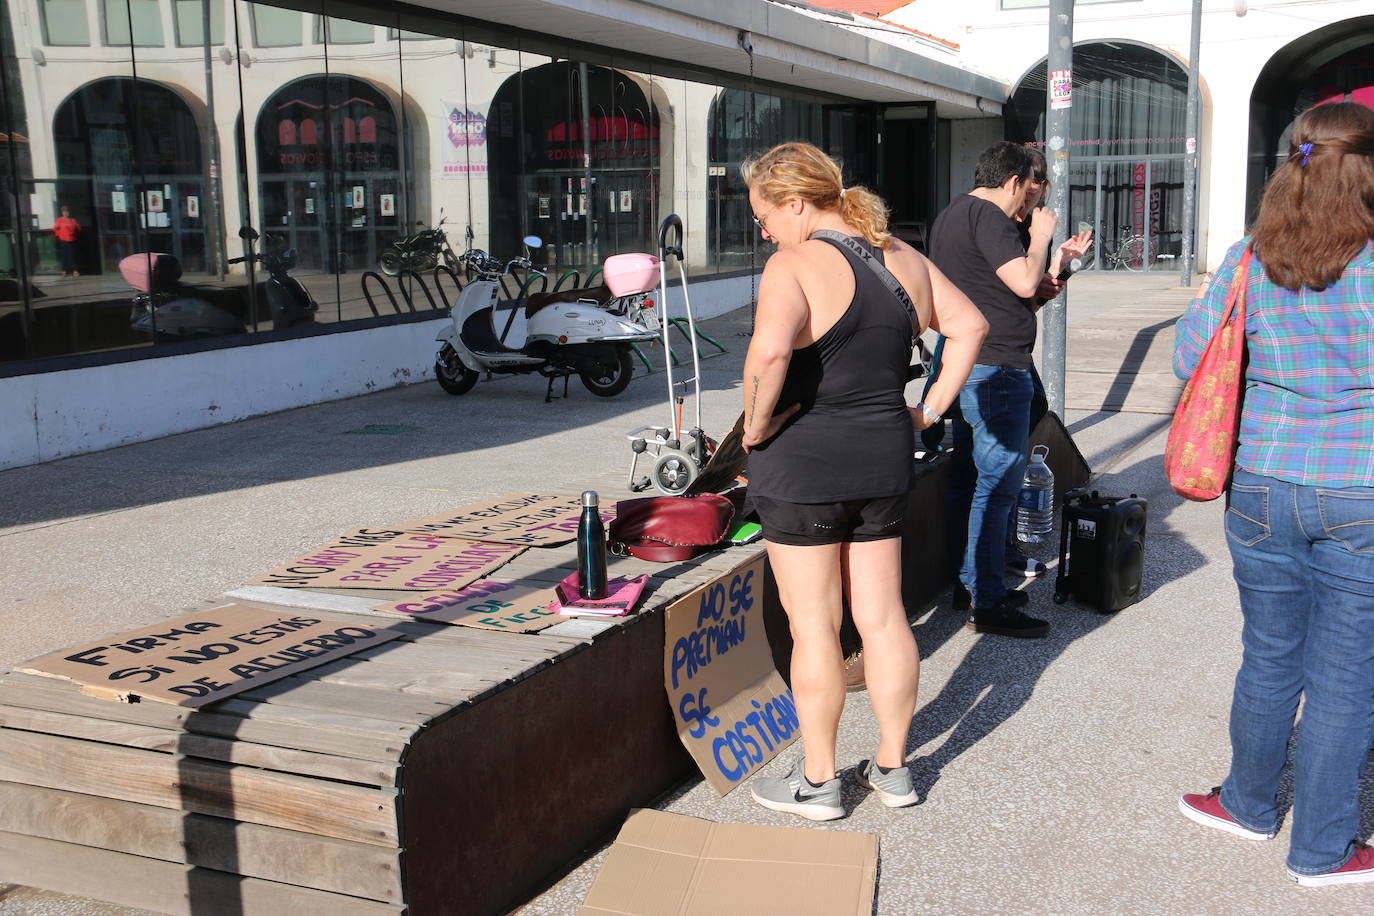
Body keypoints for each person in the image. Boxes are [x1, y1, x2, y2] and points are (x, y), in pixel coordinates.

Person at [739, 141, 988, 820]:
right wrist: (929, 412)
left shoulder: (792, 264)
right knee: (882, 619)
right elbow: (970, 326)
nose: (763, 230)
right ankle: (894, 768)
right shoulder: (904, 258)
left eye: (764, 215)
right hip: (885, 457)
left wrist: (754, 427)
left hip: (804, 465)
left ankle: (819, 782)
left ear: (795, 202)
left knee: (814, 626)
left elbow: (768, 351)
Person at [1175, 101, 1374, 888]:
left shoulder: (1249, 258)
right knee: (1346, 676)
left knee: (1268, 658)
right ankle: (1324, 850)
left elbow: (1193, 352)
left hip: (1260, 486)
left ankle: (1250, 805)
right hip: (1362, 490)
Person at [929, 141, 1087, 637]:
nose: (1031, 205)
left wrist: (1048, 275)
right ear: (1014, 180)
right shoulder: (993, 218)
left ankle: (968, 582)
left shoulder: (952, 214)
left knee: (966, 481)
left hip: (966, 363)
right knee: (996, 488)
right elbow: (1021, 283)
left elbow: (1011, 301)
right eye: (1028, 193)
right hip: (997, 372)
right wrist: (1041, 239)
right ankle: (988, 600)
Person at [53, 206, 81, 278]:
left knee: (72, 256)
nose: (65, 213)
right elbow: (55, 229)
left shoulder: (73, 220)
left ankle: (75, 271)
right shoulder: (59, 220)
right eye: (64, 211)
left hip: (72, 240)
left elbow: (78, 229)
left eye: (67, 211)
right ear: (62, 212)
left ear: (69, 212)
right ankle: (64, 271)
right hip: (63, 241)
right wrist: (59, 235)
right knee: (64, 256)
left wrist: (75, 233)